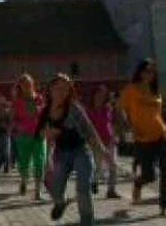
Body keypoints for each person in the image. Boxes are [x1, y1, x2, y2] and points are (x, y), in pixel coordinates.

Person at [36, 73, 110, 225]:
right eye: (57, 88)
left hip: (80, 151)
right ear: (50, 90)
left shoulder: (74, 108)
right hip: (60, 154)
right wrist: (48, 157)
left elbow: (89, 129)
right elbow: (41, 133)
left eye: (65, 89)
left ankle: (87, 221)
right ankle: (60, 202)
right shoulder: (45, 111)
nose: (61, 92)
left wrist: (101, 149)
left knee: (83, 189)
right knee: (53, 186)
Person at [118, 59, 165, 216]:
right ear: (140, 72)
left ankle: (163, 206)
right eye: (146, 70)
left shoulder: (155, 90)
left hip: (161, 134)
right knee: (149, 175)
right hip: (142, 138)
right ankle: (138, 184)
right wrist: (129, 129)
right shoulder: (131, 90)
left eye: (152, 71)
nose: (149, 74)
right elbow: (121, 110)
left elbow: (158, 114)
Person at [12, 74, 46, 200]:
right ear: (20, 86)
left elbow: (45, 116)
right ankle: (24, 181)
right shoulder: (17, 101)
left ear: (32, 84)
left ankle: (37, 191)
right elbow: (13, 119)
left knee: (40, 162)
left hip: (39, 135)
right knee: (24, 163)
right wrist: (17, 126)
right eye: (24, 84)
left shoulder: (39, 98)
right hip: (23, 136)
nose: (27, 86)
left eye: (29, 83)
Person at [85, 85, 120, 198]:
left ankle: (111, 190)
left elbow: (111, 123)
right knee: (99, 166)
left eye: (103, 95)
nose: (100, 97)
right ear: (94, 95)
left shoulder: (107, 108)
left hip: (109, 140)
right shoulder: (89, 110)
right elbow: (87, 128)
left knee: (113, 165)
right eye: (98, 94)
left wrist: (115, 136)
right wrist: (90, 141)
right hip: (96, 142)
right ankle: (94, 181)